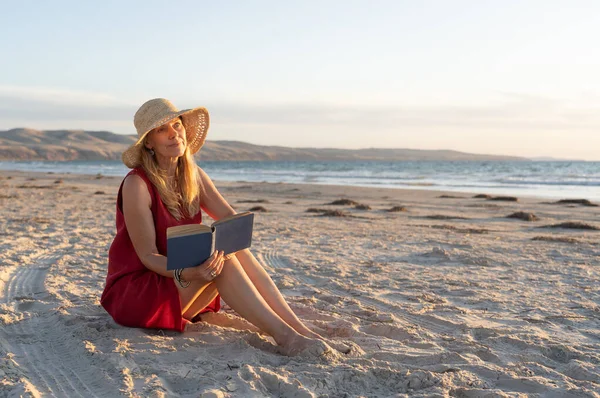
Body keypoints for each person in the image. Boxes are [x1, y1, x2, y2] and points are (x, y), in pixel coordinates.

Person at [100, 98, 348, 357]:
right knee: (224, 261)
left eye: (177, 125)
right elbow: (148, 257)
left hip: (185, 285)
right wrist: (192, 273)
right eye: (163, 129)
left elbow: (229, 219)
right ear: (149, 142)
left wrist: (230, 238)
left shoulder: (193, 176)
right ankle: (286, 338)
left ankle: (301, 330)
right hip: (141, 292)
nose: (174, 134)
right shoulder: (137, 185)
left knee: (233, 247)